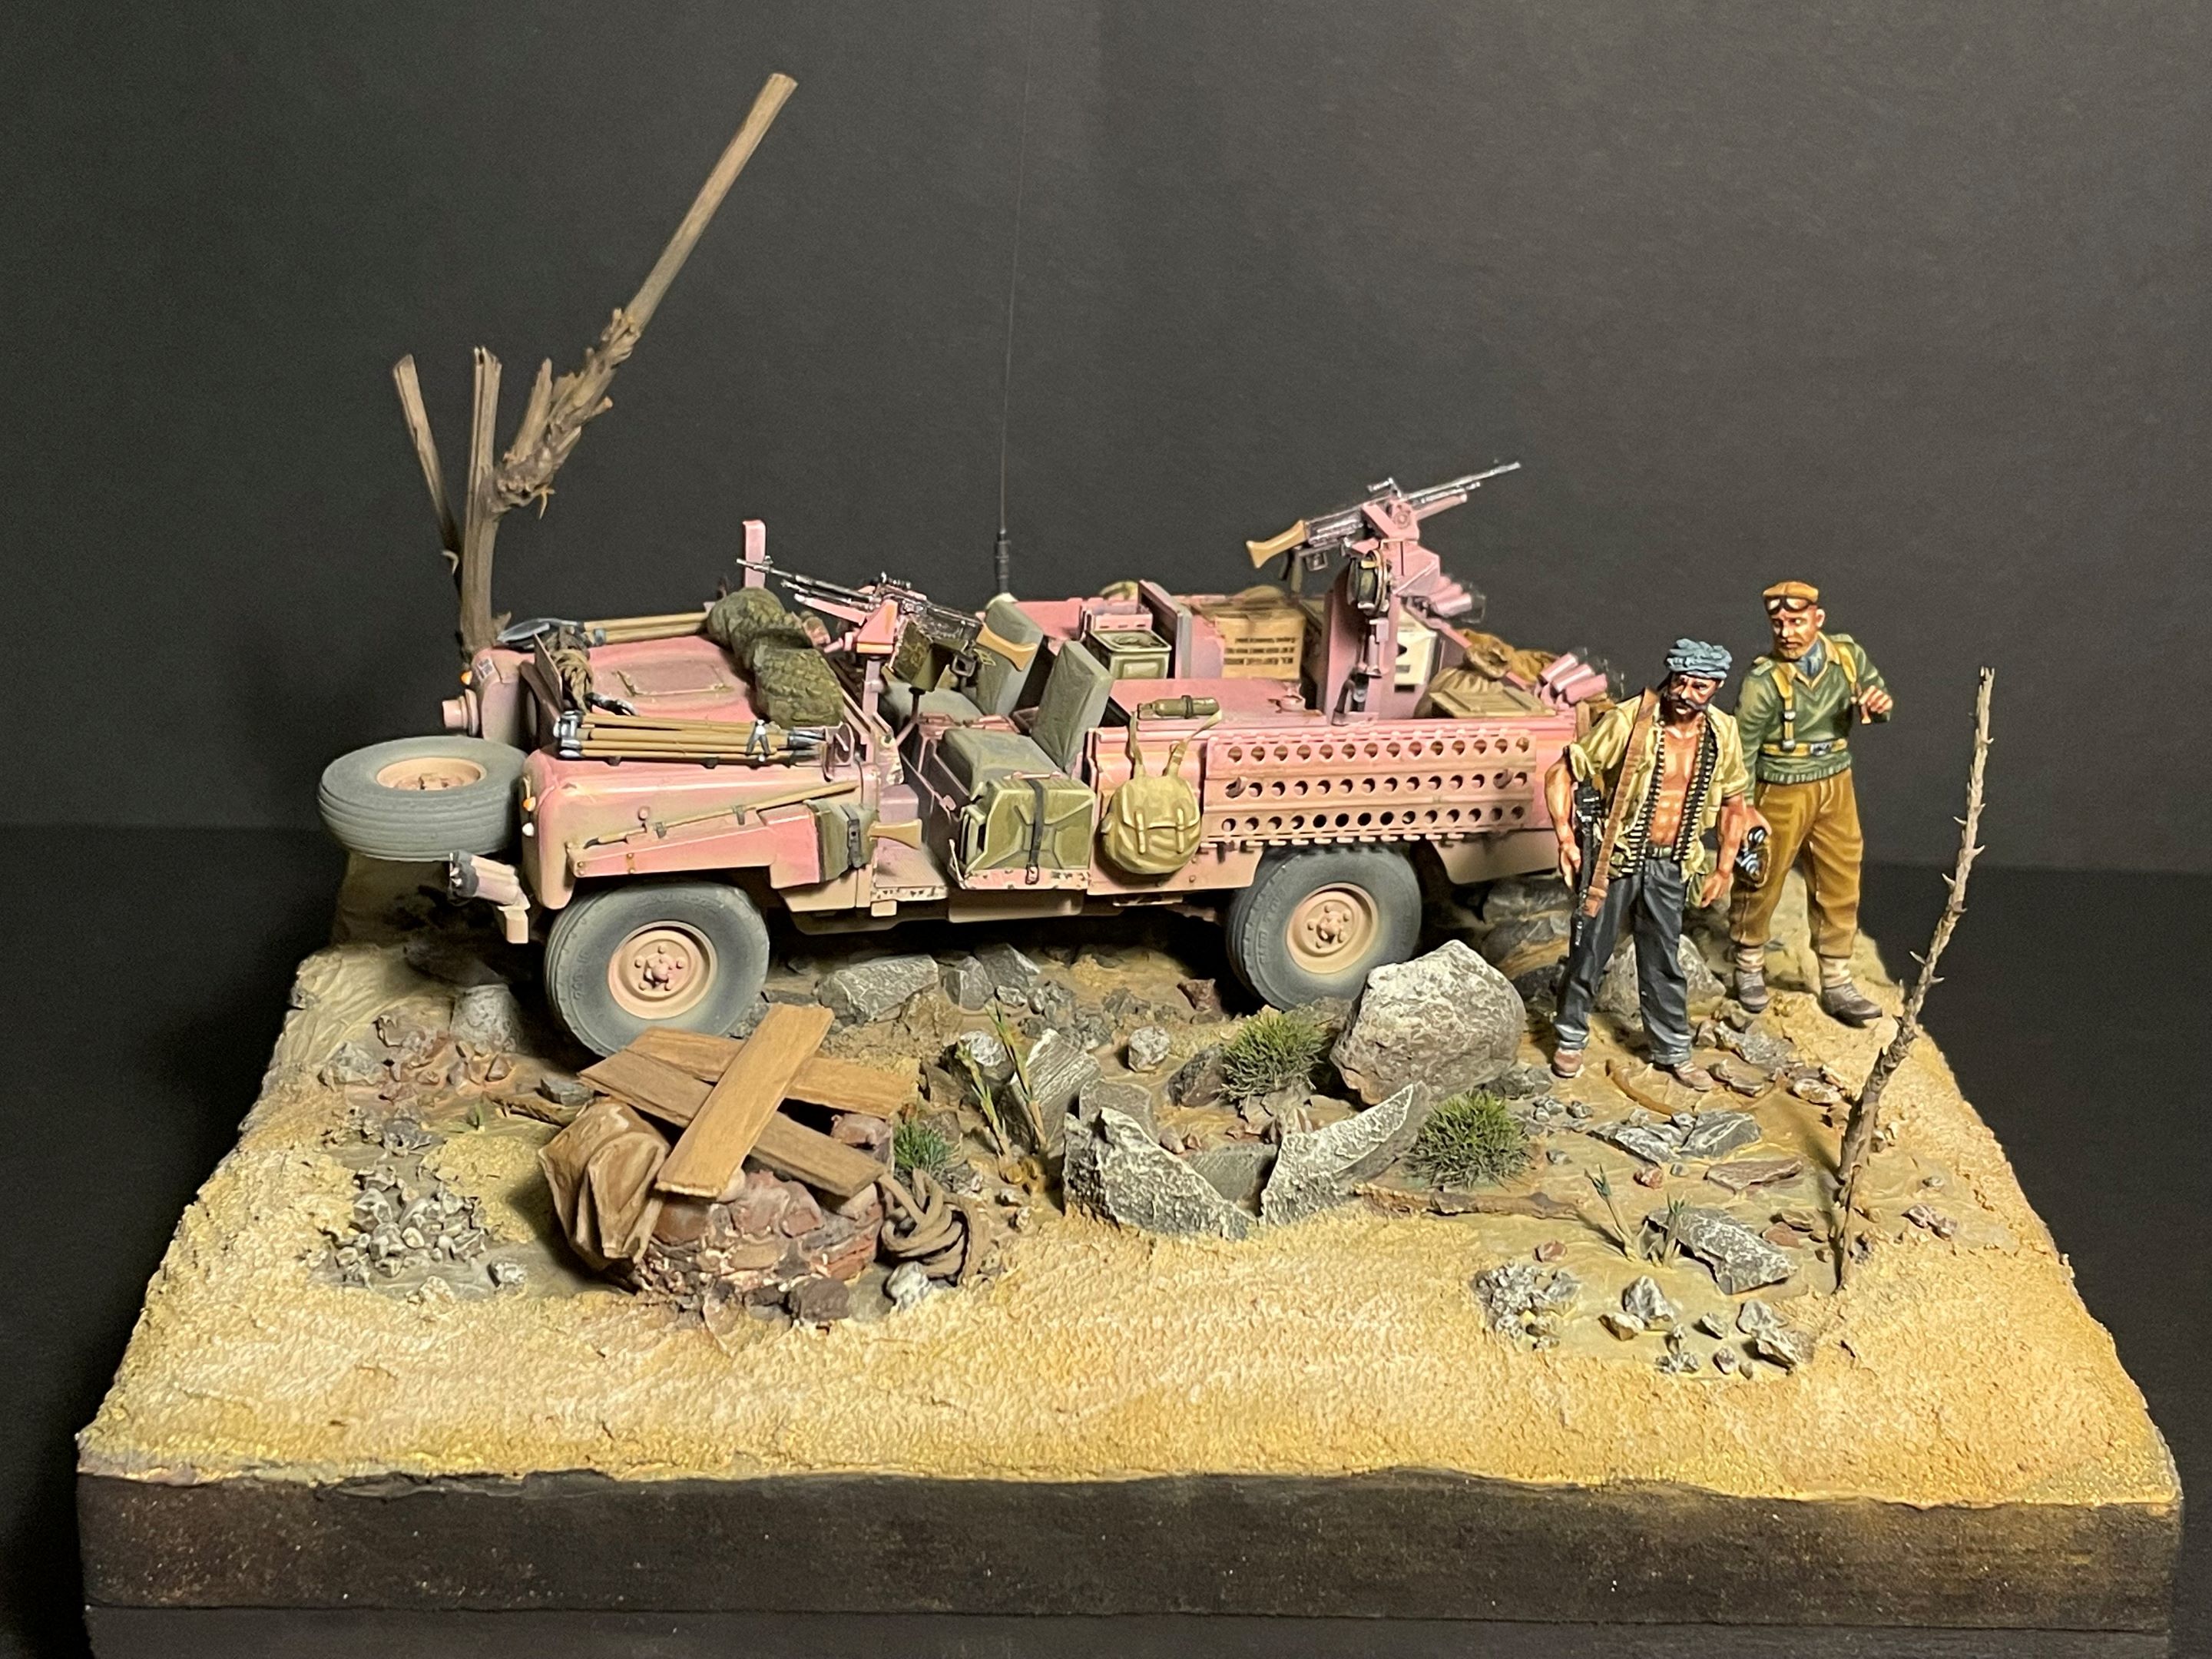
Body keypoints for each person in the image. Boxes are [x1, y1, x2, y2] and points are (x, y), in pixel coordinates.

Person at [1543, 639, 1753, 1090]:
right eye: (1680, 681)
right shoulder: (1629, 721)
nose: (1685, 693)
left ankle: (1673, 1048)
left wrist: (1724, 868)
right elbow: (1562, 772)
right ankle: (1570, 1035)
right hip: (1615, 858)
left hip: (1671, 863)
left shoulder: (1723, 733)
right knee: (1590, 949)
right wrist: (1566, 839)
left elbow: (1735, 803)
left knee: (1663, 958)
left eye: (1698, 686)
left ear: (1716, 687)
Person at [1727, 581, 1893, 1025]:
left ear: (1818, 619)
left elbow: (1878, 697)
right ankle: (1748, 963)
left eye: (1797, 621)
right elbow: (1741, 749)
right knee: (1761, 872)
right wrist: (1742, 807)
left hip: (1836, 781)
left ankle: (1836, 977)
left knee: (1840, 872)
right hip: (1781, 786)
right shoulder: (1763, 682)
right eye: (1778, 623)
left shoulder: (1846, 657)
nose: (1786, 632)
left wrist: (1877, 704)